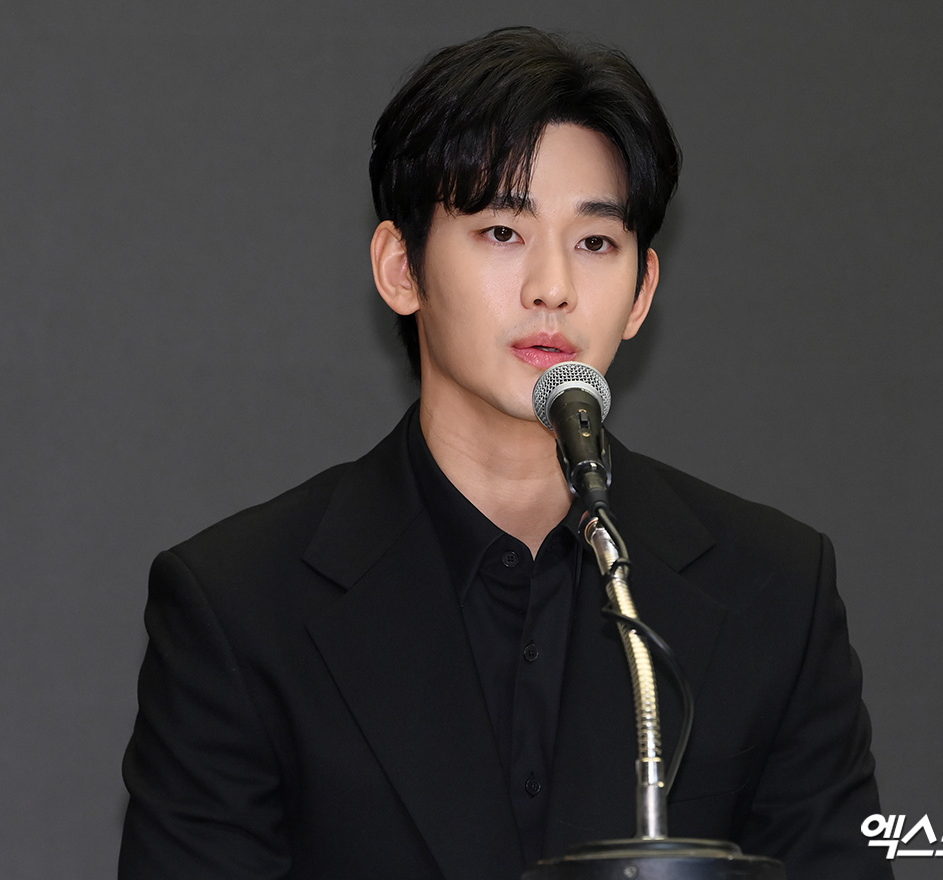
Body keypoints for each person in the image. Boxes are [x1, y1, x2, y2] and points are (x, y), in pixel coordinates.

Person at [119, 26, 890, 880]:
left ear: (642, 292)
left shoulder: (773, 592)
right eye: (500, 232)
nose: (552, 287)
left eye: (595, 243)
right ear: (400, 269)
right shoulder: (240, 607)